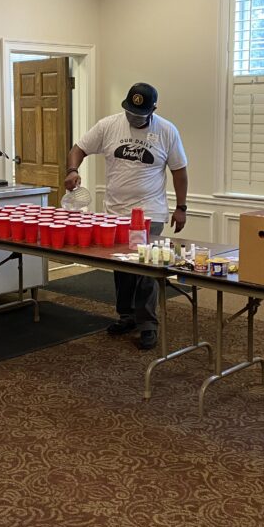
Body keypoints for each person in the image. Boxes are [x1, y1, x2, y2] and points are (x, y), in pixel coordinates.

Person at [64, 82, 189, 350]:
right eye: (130, 112)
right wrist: (73, 169)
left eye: (140, 114)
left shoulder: (167, 131)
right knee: (122, 267)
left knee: (146, 268)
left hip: (150, 212)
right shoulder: (108, 126)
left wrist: (181, 207)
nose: (134, 118)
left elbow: (179, 170)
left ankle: (147, 325)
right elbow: (79, 148)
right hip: (115, 211)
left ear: (152, 110)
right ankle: (127, 316)